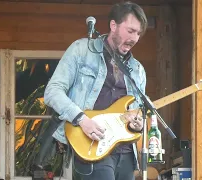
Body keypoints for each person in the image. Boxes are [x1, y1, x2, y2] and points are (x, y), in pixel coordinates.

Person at [44, 1, 148, 180]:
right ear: (113, 26)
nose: (135, 38)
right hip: (91, 145)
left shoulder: (137, 69)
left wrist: (138, 125)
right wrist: (82, 119)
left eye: (138, 33)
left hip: (126, 153)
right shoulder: (82, 50)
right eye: (130, 31)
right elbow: (52, 92)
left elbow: (136, 111)